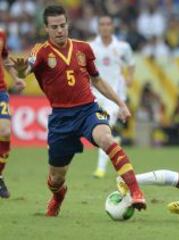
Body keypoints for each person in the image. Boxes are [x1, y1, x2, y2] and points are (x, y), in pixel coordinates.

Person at [10, 5, 145, 215]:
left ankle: (136, 192)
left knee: (107, 139)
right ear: (46, 28)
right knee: (56, 178)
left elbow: (97, 80)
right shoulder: (41, 51)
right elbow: (27, 68)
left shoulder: (83, 48)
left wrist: (121, 103)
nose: (60, 30)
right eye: (54, 27)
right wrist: (20, 71)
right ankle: (58, 196)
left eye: (62, 25)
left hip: (88, 111)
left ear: (68, 24)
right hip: (61, 119)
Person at [90, 15, 135, 178]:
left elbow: (131, 64)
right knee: (100, 133)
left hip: (114, 97)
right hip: (93, 95)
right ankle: (115, 141)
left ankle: (100, 168)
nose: (105, 27)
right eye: (102, 24)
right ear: (98, 27)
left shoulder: (123, 47)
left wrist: (129, 77)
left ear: (112, 27)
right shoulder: (90, 47)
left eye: (108, 24)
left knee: (104, 128)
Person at [0, 28, 26, 198]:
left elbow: (4, 57)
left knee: (5, 131)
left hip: (0, 91)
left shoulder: (1, 33)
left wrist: (16, 77)